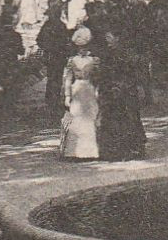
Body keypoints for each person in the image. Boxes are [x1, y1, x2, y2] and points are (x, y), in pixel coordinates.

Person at [97, 29, 147, 159]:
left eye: (110, 36)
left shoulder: (126, 54)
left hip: (125, 90)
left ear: (117, 38)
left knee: (129, 118)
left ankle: (132, 148)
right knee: (115, 118)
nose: (107, 39)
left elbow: (133, 73)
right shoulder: (108, 54)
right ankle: (117, 149)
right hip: (113, 91)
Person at [60, 27, 101, 160]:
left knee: (90, 118)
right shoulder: (72, 61)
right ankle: (74, 151)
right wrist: (67, 95)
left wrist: (98, 91)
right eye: (79, 47)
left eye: (84, 46)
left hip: (89, 89)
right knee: (76, 117)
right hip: (76, 89)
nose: (81, 49)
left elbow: (99, 78)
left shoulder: (94, 61)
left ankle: (90, 151)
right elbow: (67, 79)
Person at [36, 9, 73, 113]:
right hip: (59, 56)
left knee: (51, 78)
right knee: (57, 78)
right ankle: (54, 101)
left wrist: (47, 47)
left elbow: (39, 40)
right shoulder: (62, 26)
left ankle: (50, 101)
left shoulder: (47, 26)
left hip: (51, 56)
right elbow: (67, 42)